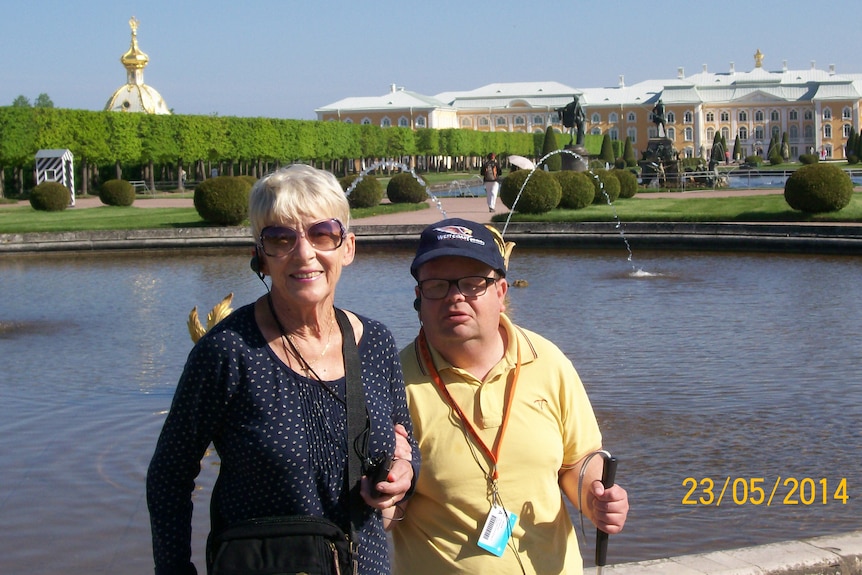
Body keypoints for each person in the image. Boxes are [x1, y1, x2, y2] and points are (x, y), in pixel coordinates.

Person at [147, 164, 419, 575]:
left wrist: (404, 473)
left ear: (348, 247)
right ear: (260, 255)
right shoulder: (227, 351)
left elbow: (406, 445)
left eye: (322, 233)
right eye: (281, 238)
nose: (304, 253)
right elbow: (169, 476)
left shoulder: (376, 342)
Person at [391, 218, 628, 575]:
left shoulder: (547, 360)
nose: (456, 297)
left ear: (501, 292)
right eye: (437, 285)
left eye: (473, 284)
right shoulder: (393, 382)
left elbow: (578, 459)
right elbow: (383, 509)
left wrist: (594, 496)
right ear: (418, 297)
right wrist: (383, 496)